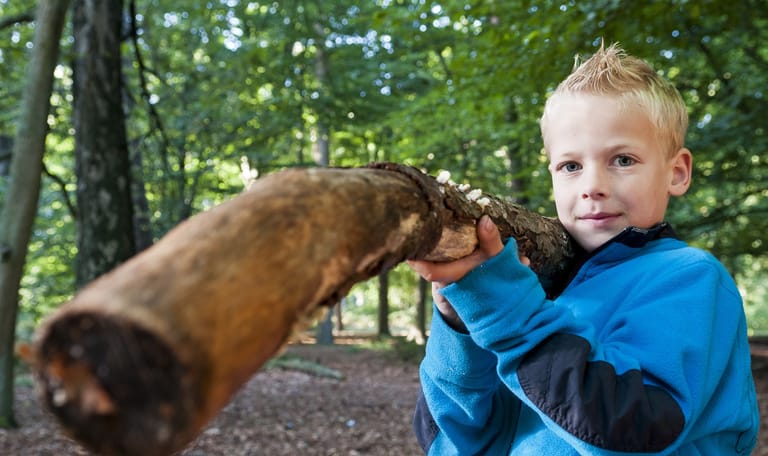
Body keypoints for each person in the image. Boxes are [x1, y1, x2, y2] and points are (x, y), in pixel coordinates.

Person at [407, 42, 759, 455]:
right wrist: (461, 324)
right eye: (571, 166)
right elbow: (453, 440)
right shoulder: (541, 291)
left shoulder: (691, 278)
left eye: (623, 160)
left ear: (677, 172)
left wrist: (508, 314)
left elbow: (633, 430)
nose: (592, 186)